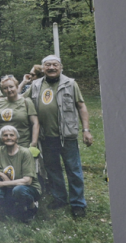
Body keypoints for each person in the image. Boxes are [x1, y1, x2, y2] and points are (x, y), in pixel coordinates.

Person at [27, 55, 93, 218]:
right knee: (53, 169)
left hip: (67, 135)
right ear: (42, 68)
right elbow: (20, 100)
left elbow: (81, 106)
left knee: (73, 169)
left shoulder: (70, 83)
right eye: (47, 65)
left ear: (61, 67)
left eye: (54, 65)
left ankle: (78, 204)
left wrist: (86, 130)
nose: (51, 68)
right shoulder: (35, 85)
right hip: (46, 137)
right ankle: (60, 198)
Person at [0, 126, 41, 222]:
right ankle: (11, 207)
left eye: (12, 135)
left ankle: (32, 207)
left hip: (28, 188)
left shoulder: (25, 152)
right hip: (9, 188)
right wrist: (2, 175)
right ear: (1, 138)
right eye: (5, 135)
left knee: (18, 190)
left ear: (17, 138)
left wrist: (2, 183)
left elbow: (27, 181)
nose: (8, 137)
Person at [0, 75, 39, 149]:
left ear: (17, 87)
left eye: (11, 87)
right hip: (3, 145)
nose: (9, 90)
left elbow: (35, 123)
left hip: (22, 145)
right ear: (2, 91)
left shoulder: (26, 102)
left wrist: (34, 143)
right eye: (5, 88)